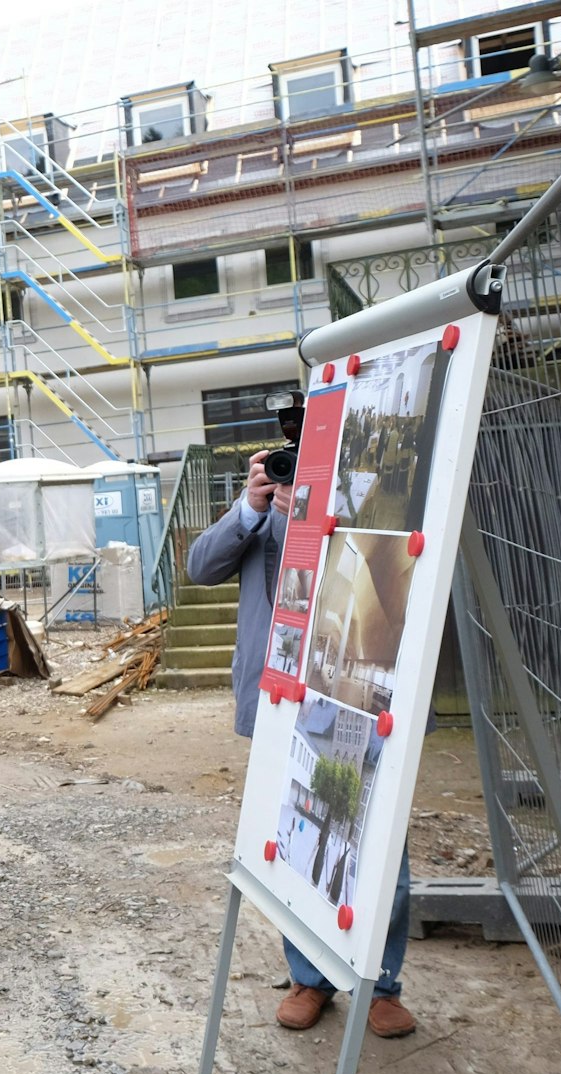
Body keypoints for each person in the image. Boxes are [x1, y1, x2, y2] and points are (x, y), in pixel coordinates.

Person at [185, 403, 416, 1041]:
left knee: (375, 837)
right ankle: (308, 978)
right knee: (298, 833)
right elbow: (199, 567)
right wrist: (253, 507)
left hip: (353, 695)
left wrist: (334, 514)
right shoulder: (262, 517)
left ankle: (380, 982)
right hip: (282, 700)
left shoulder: (368, 494)